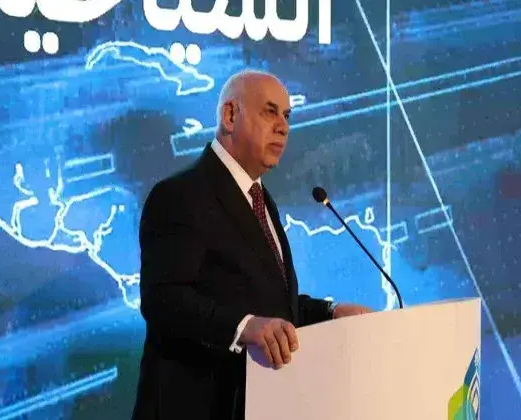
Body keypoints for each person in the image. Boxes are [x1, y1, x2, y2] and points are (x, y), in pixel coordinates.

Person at [131, 70, 373, 420]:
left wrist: (330, 312)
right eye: (270, 112)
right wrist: (243, 328)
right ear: (230, 115)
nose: (283, 127)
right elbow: (163, 300)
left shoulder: (260, 198)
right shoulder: (180, 194)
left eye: (287, 116)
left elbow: (268, 303)